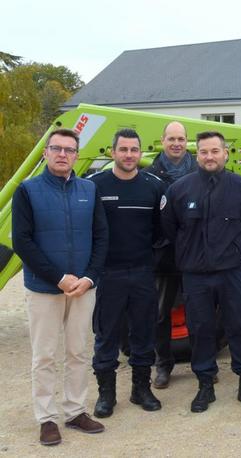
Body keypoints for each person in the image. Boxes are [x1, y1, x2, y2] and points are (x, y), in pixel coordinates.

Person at [12, 128, 108, 445]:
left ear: (77, 155)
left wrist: (89, 276)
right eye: (56, 148)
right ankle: (47, 418)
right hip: (44, 288)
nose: (62, 154)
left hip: (83, 287)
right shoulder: (27, 191)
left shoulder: (89, 190)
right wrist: (58, 277)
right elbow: (22, 242)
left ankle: (76, 411)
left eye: (69, 149)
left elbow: (101, 237)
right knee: (44, 356)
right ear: (46, 153)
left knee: (78, 352)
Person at [161, 131, 241, 412]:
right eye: (204, 152)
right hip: (195, 275)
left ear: (225, 153)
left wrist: (234, 251)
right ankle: (205, 385)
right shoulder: (179, 190)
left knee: (240, 327)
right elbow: (169, 229)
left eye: (215, 151)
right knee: (200, 329)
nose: (210, 157)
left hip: (232, 272)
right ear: (197, 155)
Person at [89, 129, 165, 418]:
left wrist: (150, 259)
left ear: (140, 153)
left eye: (134, 150)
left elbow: (162, 230)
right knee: (106, 335)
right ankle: (106, 395)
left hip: (144, 272)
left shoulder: (153, 187)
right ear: (113, 152)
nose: (129, 155)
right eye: (124, 150)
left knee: (144, 332)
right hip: (109, 274)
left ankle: (141, 390)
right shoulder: (94, 186)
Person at [143, 120, 197, 389]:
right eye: (171, 139)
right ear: (162, 141)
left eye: (181, 139)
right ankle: (163, 365)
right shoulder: (151, 175)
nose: (176, 143)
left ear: (187, 141)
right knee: (161, 314)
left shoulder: (202, 170)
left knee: (200, 311)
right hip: (164, 255)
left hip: (196, 255)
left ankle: (202, 363)